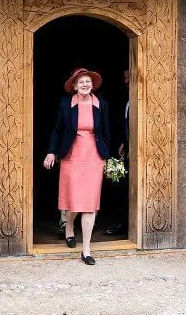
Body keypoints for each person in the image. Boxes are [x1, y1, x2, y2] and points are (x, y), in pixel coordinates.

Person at [43, 68, 111, 265]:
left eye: (87, 81)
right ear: (74, 85)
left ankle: (86, 250)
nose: (84, 85)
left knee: (90, 203)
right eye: (80, 82)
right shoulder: (66, 104)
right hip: (72, 156)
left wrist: (107, 157)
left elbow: (106, 132)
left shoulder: (102, 104)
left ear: (92, 85)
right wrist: (51, 151)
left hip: (94, 156)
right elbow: (57, 130)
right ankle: (69, 225)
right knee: (74, 200)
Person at [105, 69, 130, 236]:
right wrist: (123, 142)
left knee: (126, 188)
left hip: (134, 153)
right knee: (117, 185)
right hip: (119, 152)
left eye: (129, 77)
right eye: (125, 78)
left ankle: (126, 224)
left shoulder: (138, 99)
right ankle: (121, 223)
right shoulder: (123, 99)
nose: (126, 81)